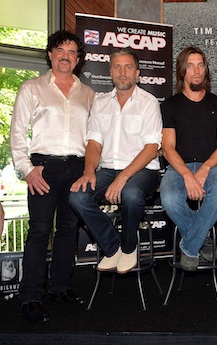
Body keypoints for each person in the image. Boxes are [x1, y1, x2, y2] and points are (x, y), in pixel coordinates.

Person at [10, 30, 95, 322]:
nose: (65, 56)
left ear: (78, 59)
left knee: (68, 231)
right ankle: (31, 295)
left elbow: (95, 138)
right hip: (43, 167)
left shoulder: (88, 93)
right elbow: (18, 134)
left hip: (77, 168)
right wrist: (26, 168)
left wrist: (89, 169)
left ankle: (60, 286)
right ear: (49, 54)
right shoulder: (31, 88)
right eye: (60, 50)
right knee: (39, 231)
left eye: (72, 52)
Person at [69, 48, 162, 277]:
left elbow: (151, 149)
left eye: (128, 67)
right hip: (108, 169)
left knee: (130, 193)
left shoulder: (148, 103)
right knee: (77, 196)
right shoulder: (100, 103)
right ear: (110, 72)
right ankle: (113, 248)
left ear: (137, 73)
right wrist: (89, 171)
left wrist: (123, 178)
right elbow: (94, 143)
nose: (122, 72)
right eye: (117, 67)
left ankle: (129, 248)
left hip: (143, 170)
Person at [159, 46, 217, 271]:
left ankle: (190, 246)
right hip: (179, 167)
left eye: (200, 65)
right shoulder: (170, 105)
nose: (196, 70)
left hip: (213, 166)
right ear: (182, 71)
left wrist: (205, 169)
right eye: (190, 66)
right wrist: (187, 174)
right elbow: (168, 147)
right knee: (169, 198)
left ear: (206, 70)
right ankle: (202, 237)